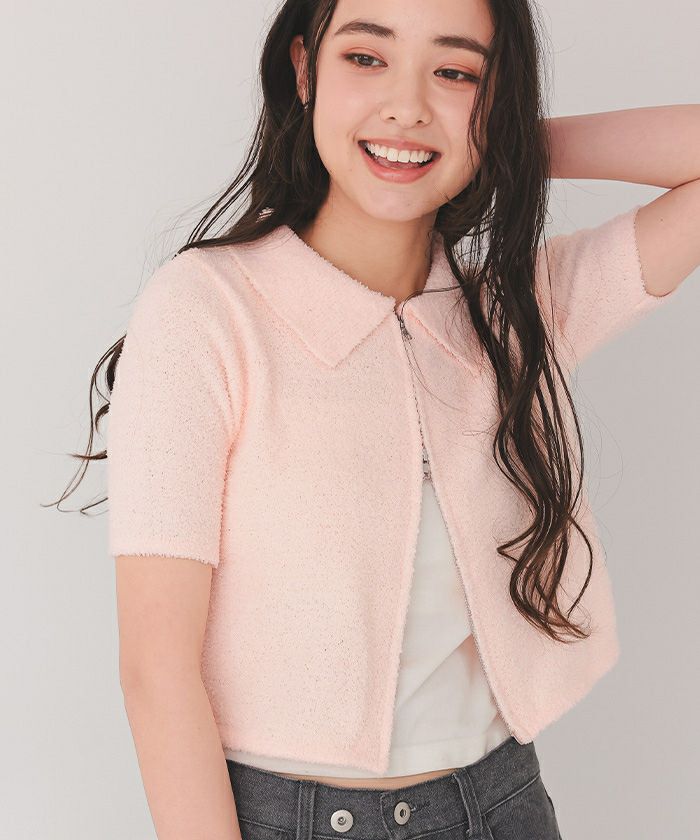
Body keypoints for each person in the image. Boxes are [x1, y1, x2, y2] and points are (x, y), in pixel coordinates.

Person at [53, 0, 696, 837]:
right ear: (303, 69)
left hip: (500, 807)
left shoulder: (517, 313)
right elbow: (156, 670)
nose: (407, 106)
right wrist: (460, 126)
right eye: (366, 58)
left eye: (455, 72)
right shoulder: (207, 312)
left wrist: (498, 140)